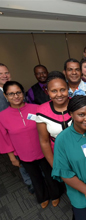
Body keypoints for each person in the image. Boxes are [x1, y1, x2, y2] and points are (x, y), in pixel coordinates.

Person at [0, 81, 62, 208]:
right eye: (11, 94)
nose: (15, 96)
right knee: (35, 177)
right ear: (6, 96)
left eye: (18, 92)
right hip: (23, 153)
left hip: (43, 149)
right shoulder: (2, 116)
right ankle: (43, 196)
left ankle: (55, 194)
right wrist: (12, 157)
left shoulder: (36, 109)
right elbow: (4, 138)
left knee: (50, 173)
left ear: (23, 93)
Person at [0, 63, 34, 194]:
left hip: (24, 128)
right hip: (9, 132)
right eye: (1, 74)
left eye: (6, 73)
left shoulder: (15, 89)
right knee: (21, 161)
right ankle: (29, 182)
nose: (4, 76)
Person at [36, 71, 72, 167]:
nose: (59, 94)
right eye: (54, 91)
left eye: (62, 90)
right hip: (59, 155)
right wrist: (54, 165)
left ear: (68, 89)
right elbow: (44, 141)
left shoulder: (77, 104)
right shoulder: (42, 111)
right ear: (47, 92)